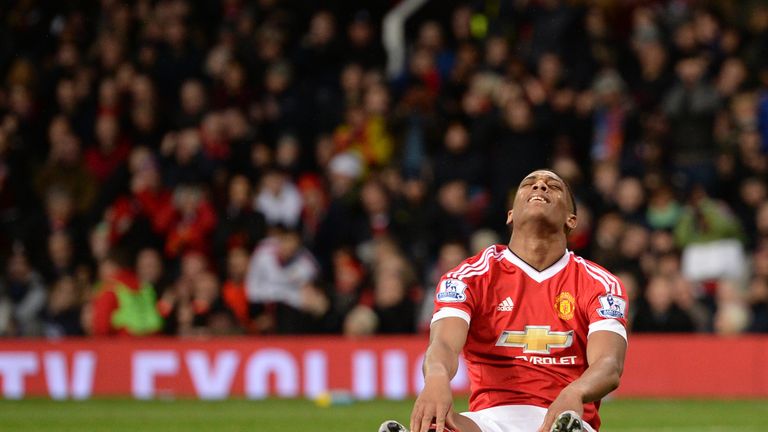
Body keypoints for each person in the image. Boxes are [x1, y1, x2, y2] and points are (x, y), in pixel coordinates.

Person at [381, 170, 628, 432]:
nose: (540, 186)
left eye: (553, 187)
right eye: (529, 184)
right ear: (510, 214)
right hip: (489, 421)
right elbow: (443, 343)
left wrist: (575, 393)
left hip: (563, 418)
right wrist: (437, 377)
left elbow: (609, 364)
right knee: (437, 425)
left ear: (571, 219)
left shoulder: (599, 283)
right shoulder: (470, 277)